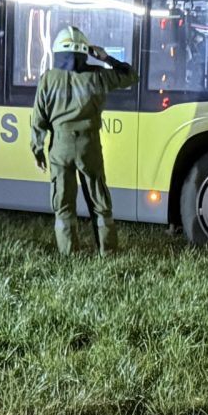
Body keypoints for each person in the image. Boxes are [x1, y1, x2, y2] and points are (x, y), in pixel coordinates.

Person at [30, 25, 134, 255]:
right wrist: (106, 58)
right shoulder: (97, 76)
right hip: (90, 146)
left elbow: (38, 119)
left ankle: (69, 253)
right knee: (99, 201)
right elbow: (130, 75)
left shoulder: (48, 79)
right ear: (84, 52)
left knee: (63, 204)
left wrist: (38, 149)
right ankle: (108, 251)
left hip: (60, 147)